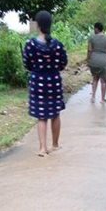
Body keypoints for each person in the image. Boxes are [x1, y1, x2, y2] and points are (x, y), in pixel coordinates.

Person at [22, 11, 68, 157]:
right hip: (54, 81)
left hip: (38, 82)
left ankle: (43, 148)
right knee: (55, 113)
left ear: (38, 25)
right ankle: (55, 145)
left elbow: (27, 64)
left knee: (42, 116)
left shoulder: (30, 45)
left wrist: (37, 70)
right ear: (50, 25)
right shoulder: (58, 45)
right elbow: (63, 63)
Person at [87, 22, 106, 103]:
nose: (93, 30)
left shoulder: (91, 38)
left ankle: (93, 97)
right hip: (104, 62)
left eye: (94, 28)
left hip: (94, 60)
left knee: (95, 79)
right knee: (103, 81)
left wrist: (88, 60)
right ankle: (102, 99)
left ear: (96, 28)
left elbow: (89, 50)